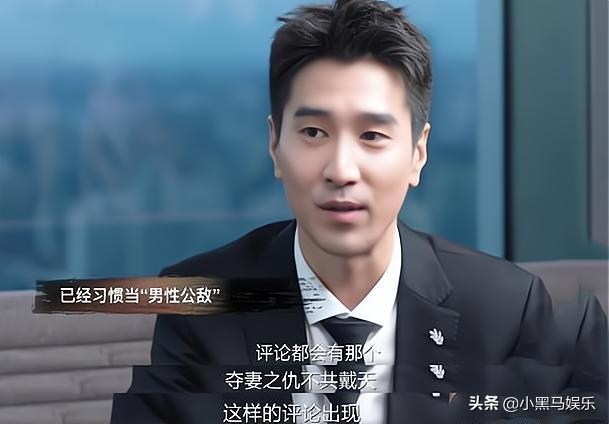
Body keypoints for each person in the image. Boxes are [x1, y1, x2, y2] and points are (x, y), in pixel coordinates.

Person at [111, 0, 607, 423]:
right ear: (274, 145)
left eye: (372, 135)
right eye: (313, 133)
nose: (341, 170)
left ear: (417, 153)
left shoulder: (506, 309)